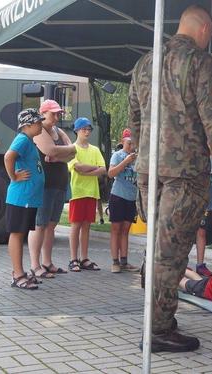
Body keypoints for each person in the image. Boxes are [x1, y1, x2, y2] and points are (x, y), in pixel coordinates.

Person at [129, 5, 212, 353]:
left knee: (157, 250)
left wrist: (147, 150)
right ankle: (158, 330)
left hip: (148, 170)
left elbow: (133, 117)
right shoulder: (199, 62)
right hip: (184, 173)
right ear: (205, 28)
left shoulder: (144, 62)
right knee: (171, 254)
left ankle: (158, 318)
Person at [27, 99, 76, 279]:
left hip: (59, 183)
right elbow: (50, 150)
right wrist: (64, 151)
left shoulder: (59, 131)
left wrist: (61, 154)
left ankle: (47, 262)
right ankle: (35, 265)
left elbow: (74, 151)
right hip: (44, 184)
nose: (57, 117)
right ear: (43, 113)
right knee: (39, 224)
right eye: (53, 113)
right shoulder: (40, 131)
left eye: (58, 114)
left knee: (51, 225)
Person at [3, 109, 45, 290]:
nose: (41, 124)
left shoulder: (29, 141)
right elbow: (8, 156)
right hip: (21, 197)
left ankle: (20, 272)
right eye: (38, 122)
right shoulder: (22, 139)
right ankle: (17, 274)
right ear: (27, 125)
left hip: (29, 198)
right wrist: (13, 176)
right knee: (17, 234)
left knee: (22, 234)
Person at [67, 118, 107, 272]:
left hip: (91, 192)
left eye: (89, 129)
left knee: (86, 226)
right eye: (83, 129)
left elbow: (103, 169)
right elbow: (77, 167)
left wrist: (88, 170)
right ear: (76, 130)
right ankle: (73, 259)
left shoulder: (95, 150)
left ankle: (84, 258)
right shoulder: (72, 149)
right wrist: (94, 169)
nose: (87, 131)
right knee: (76, 225)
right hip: (77, 192)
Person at [107, 131, 139, 273]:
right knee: (116, 229)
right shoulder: (118, 155)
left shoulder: (138, 158)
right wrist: (126, 161)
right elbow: (110, 173)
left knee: (125, 231)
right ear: (123, 141)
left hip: (131, 198)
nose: (131, 146)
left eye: (133, 143)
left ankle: (124, 261)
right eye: (129, 143)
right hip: (118, 196)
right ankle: (115, 261)